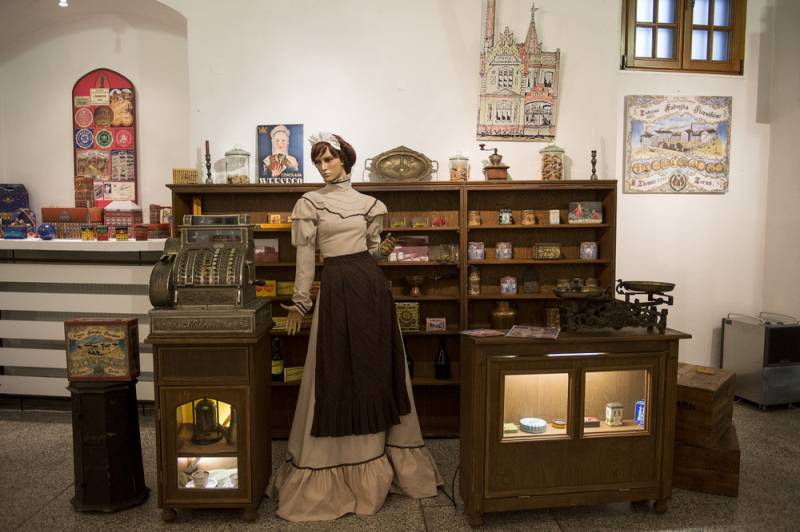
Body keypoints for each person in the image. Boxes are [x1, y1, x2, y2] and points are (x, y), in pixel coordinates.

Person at [270, 132, 441, 521]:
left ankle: (381, 452)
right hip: (336, 287)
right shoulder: (309, 203)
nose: (323, 166)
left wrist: (383, 250)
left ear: (345, 160)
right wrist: (300, 303)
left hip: (370, 289)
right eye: (318, 161)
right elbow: (305, 260)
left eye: (329, 159)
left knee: (374, 367)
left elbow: (372, 249)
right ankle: (336, 462)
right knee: (335, 370)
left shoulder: (371, 204)